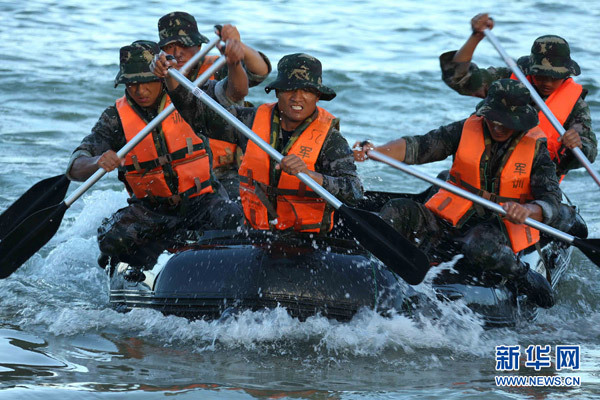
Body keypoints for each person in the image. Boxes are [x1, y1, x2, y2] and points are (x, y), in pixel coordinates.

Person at [354, 79, 561, 308]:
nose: (498, 125)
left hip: (496, 226)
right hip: (451, 218)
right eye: (493, 118)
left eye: (506, 121)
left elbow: (551, 199)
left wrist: (528, 210)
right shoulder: (465, 129)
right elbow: (420, 146)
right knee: (399, 210)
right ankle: (374, 273)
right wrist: (379, 151)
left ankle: (523, 276)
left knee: (480, 246)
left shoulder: (536, 149)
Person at [66, 41, 244, 273]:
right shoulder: (114, 118)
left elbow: (235, 92)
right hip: (151, 210)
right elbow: (75, 166)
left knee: (238, 222)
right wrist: (95, 162)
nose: (140, 91)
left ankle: (208, 262)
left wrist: (235, 63)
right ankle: (150, 269)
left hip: (202, 200)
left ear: (161, 76)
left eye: (146, 81)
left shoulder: (189, 97)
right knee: (112, 240)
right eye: (132, 84)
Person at [152, 52, 363, 234]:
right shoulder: (252, 122)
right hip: (258, 232)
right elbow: (200, 119)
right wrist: (171, 78)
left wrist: (311, 176)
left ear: (317, 96)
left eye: (306, 91)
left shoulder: (330, 139)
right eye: (289, 89)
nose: (297, 98)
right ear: (278, 92)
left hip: (308, 239)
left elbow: (354, 191)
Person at [439, 13, 596, 233]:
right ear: (531, 70)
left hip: (530, 190)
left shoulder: (575, 106)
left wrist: (576, 144)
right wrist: (475, 37)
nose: (547, 83)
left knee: (559, 217)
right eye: (541, 76)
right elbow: (460, 79)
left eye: (554, 77)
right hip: (483, 176)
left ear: (567, 73)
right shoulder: (509, 79)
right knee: (444, 180)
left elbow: (587, 153)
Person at [157, 11, 272, 199]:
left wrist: (238, 49)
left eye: (184, 45)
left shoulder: (217, 68)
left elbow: (259, 71)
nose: (178, 53)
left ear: (199, 45)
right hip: (182, 177)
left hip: (226, 173)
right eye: (170, 47)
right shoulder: (155, 80)